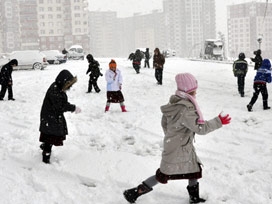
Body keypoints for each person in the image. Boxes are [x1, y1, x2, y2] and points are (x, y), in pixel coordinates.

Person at [123, 73, 231, 204]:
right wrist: (218, 121)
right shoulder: (185, 108)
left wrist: (173, 135)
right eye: (194, 90)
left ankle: (194, 198)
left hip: (176, 144)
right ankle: (134, 192)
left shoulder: (173, 103)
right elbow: (200, 128)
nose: (196, 93)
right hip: (180, 147)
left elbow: (164, 124)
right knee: (164, 174)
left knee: (192, 170)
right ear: (188, 91)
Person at [39, 69, 81, 164]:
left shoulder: (58, 87)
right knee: (51, 135)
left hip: (51, 115)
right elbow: (60, 106)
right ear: (63, 81)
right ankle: (45, 158)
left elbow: (61, 103)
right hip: (50, 117)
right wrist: (73, 108)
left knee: (50, 134)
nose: (70, 87)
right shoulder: (55, 91)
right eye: (69, 84)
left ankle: (45, 146)